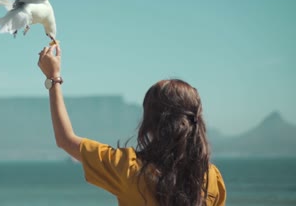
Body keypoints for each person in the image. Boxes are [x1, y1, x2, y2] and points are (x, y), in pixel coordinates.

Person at [37, 45, 226, 206]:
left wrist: (54, 78)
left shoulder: (128, 168)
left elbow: (65, 139)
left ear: (151, 122)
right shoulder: (211, 178)